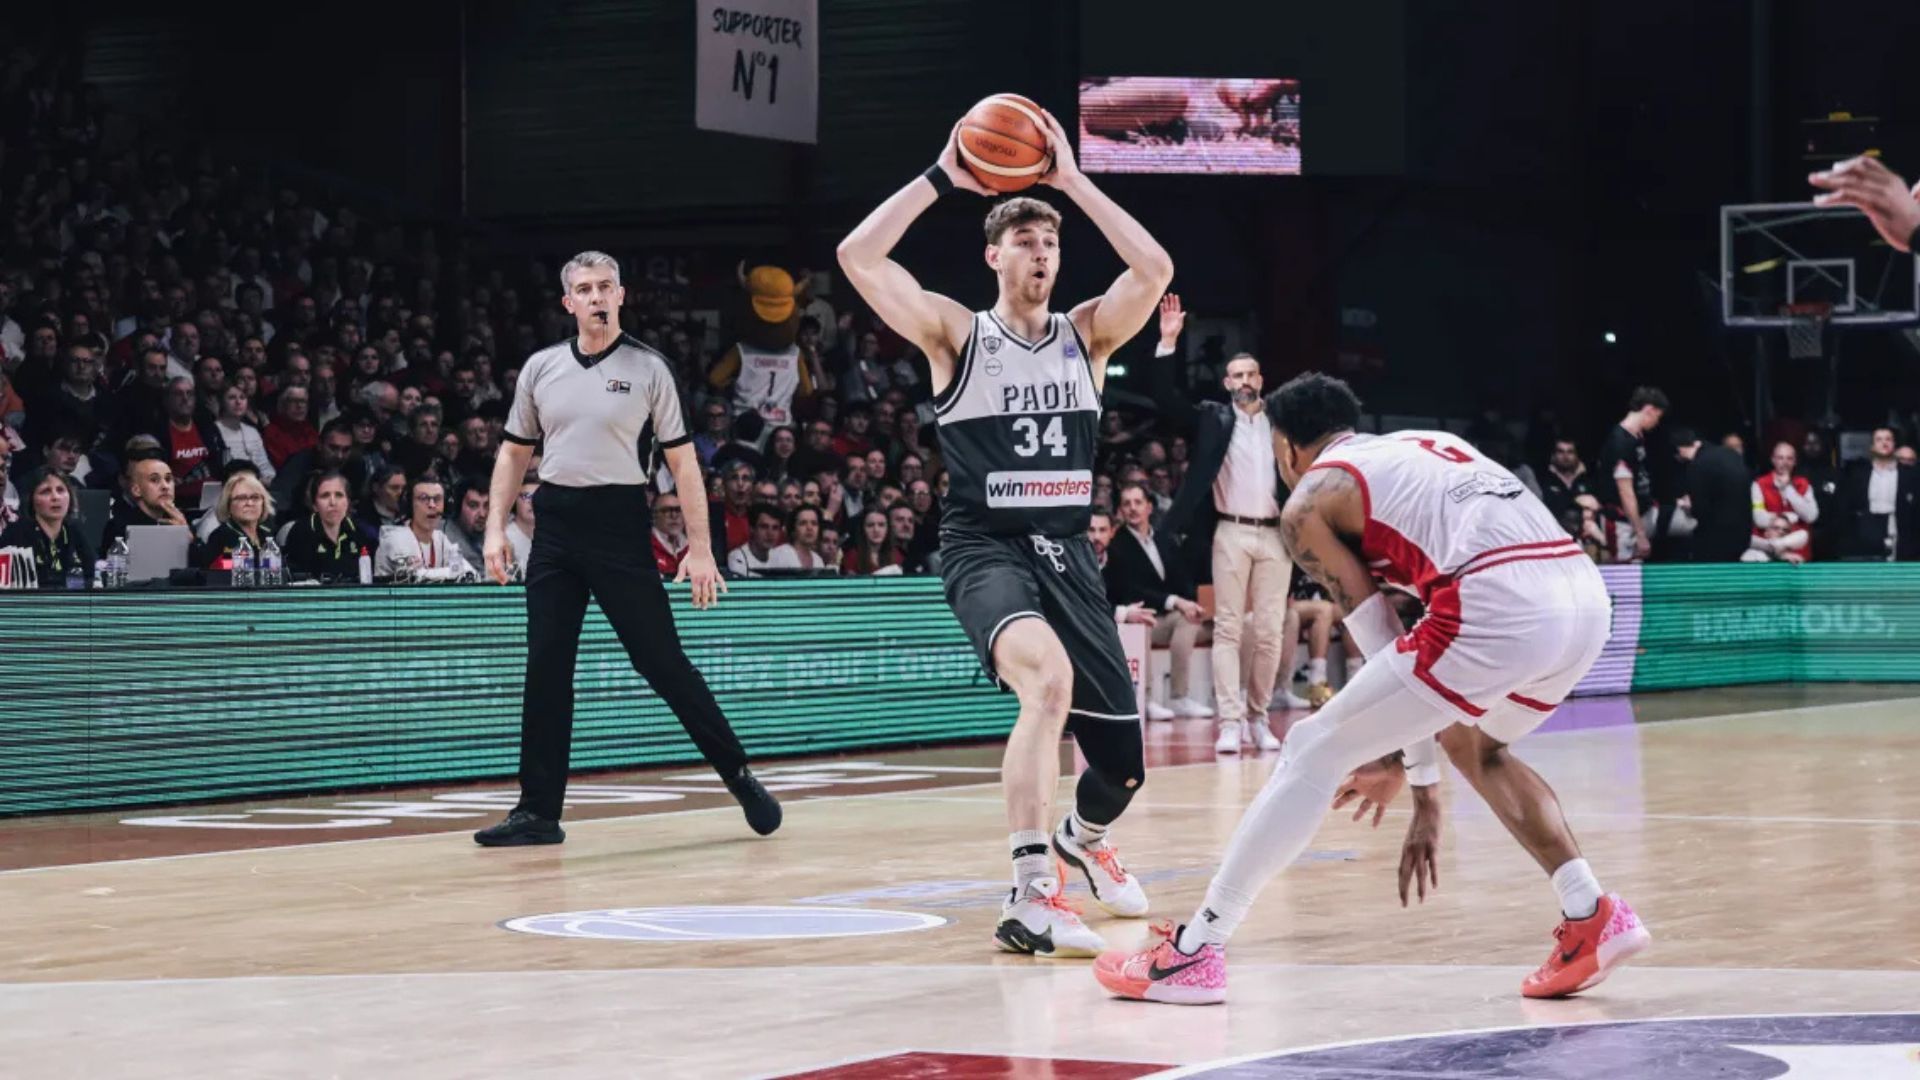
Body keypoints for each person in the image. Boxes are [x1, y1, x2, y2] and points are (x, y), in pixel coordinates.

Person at [1096, 372, 1648, 1006]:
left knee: (1310, 748)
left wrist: (1418, 784)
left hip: (1499, 601)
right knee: (1477, 746)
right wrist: (1401, 755)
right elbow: (1412, 681)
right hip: (1585, 597)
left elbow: (1383, 641)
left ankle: (1195, 951)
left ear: (1286, 447)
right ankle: (1590, 913)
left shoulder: (1308, 502)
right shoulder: (1424, 446)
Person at [837, 104, 1174, 956]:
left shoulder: (1087, 336)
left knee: (1123, 765)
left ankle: (1083, 841)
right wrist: (942, 178)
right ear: (994, 256)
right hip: (985, 547)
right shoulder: (958, 333)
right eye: (1025, 241)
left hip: (1071, 555)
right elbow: (857, 257)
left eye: (1050, 242)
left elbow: (1154, 267)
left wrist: (1072, 181)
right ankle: (1031, 892)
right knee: (1047, 686)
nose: (1041, 253)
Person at [473, 251, 778, 847]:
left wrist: (700, 548)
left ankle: (738, 773)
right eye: (585, 289)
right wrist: (493, 528)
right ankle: (538, 811)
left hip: (619, 522)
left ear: (621, 295)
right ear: (569, 302)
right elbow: (512, 451)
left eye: (605, 286)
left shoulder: (649, 368)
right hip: (556, 523)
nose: (596, 297)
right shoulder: (541, 367)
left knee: (661, 661)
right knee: (546, 666)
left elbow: (683, 462)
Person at [1151, 297, 1287, 752]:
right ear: (1227, 382)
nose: (1244, 381)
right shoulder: (1213, 417)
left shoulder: (1282, 422)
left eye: (1251, 375)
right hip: (1230, 530)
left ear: (1260, 380)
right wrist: (1168, 342)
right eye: (1237, 375)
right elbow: (1166, 399)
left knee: (1269, 631)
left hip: (1276, 534)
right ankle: (1230, 721)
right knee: (1228, 628)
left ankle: (1259, 718)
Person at [1104, 482, 1211, 721]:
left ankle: (1179, 697)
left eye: (1138, 502)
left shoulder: (1164, 538)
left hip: (1165, 617)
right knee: (1143, 623)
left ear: (1149, 507)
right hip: (1136, 618)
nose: (1133, 508)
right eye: (1126, 504)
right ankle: (1147, 700)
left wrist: (1189, 603)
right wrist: (1174, 601)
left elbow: (1181, 577)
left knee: (1188, 619)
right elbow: (1131, 590)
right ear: (1120, 511)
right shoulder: (1117, 545)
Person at [1596, 387, 1667, 562]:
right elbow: (1625, 492)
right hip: (1622, 523)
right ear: (1649, 410)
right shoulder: (1620, 443)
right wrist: (1640, 534)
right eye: (1657, 417)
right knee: (1626, 570)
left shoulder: (1637, 436)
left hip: (1642, 513)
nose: (1657, 422)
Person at [1836, 426, 1920, 561]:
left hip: (1898, 529)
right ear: (1872, 446)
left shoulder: (1909, 474)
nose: (1884, 443)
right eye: (1879, 440)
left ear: (1894, 444)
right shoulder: (1858, 474)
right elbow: (1847, 506)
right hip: (1866, 530)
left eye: (1888, 439)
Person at [0, 468, 92, 588]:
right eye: (46, 492)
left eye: (60, 490)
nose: (55, 497)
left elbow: (92, 575)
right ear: (32, 499)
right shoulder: (15, 534)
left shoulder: (75, 532)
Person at [1671, 428, 1752, 563]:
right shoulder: (1730, 454)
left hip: (1716, 540)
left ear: (1681, 450)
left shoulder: (1697, 466)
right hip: (1743, 535)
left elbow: (1699, 510)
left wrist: (1687, 505)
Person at [374, 476, 472, 577]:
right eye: (423, 498)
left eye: (437, 499)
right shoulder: (395, 539)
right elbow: (415, 578)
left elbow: (469, 573)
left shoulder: (440, 538)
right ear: (410, 505)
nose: (432, 505)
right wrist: (452, 572)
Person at [283, 471, 366, 581]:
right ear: (314, 505)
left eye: (339, 495)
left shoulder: (358, 532)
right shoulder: (301, 532)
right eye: (325, 496)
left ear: (348, 502)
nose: (333, 502)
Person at [1749, 441, 1819, 563]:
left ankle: (1776, 547)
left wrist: (1789, 489)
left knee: (1803, 535)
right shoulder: (1759, 484)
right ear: (1773, 460)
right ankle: (1775, 549)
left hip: (1798, 553)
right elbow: (1759, 519)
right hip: (1766, 554)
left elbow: (1811, 516)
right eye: (1780, 458)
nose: (1785, 462)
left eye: (1789, 458)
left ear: (1795, 461)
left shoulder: (1804, 484)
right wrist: (1788, 517)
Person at [201, 472, 275, 569]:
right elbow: (220, 570)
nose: (249, 503)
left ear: (263, 503)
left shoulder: (267, 534)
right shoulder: (220, 537)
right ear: (228, 504)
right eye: (241, 498)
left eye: (255, 497)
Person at [214, 384, 276, 485]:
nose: (238, 402)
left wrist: (267, 480)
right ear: (222, 402)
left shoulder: (252, 432)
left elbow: (266, 468)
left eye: (242, 397)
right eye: (232, 398)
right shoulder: (213, 431)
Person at [726, 502, 784, 578]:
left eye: (775, 528)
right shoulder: (738, 558)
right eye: (764, 527)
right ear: (752, 529)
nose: (770, 533)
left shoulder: (779, 556)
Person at [443, 480, 490, 567]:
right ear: (458, 508)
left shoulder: (496, 533)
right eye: (473, 505)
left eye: (486, 506)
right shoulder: (442, 535)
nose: (482, 514)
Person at [768, 504, 828, 571]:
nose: (809, 528)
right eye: (803, 523)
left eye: (814, 523)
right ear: (793, 530)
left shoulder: (818, 561)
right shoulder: (779, 555)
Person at [650, 491, 690, 576]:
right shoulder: (644, 547)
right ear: (654, 515)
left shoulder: (693, 548)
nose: (674, 515)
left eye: (678, 510)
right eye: (666, 511)